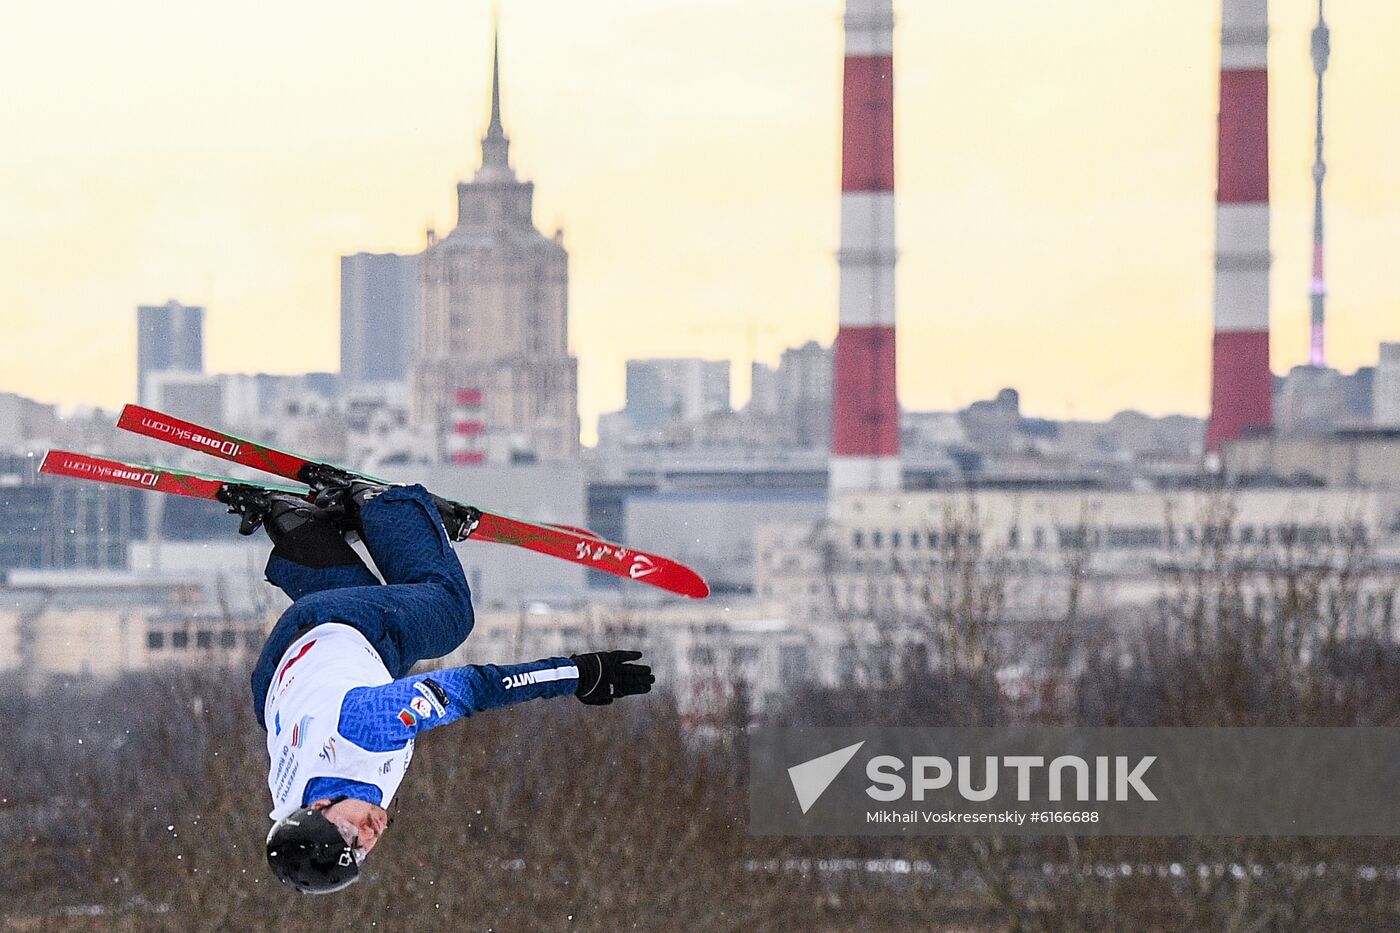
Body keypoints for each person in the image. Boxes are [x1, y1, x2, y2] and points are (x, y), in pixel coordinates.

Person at [228, 479, 653, 894]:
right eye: (359, 854)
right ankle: (296, 527)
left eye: (349, 834)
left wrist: (579, 674)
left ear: (319, 808)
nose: (368, 835)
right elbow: (294, 845)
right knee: (388, 638)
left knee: (448, 615)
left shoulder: (366, 728)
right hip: (283, 677)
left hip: (336, 627)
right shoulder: (292, 810)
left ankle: (385, 505)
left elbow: (474, 687)